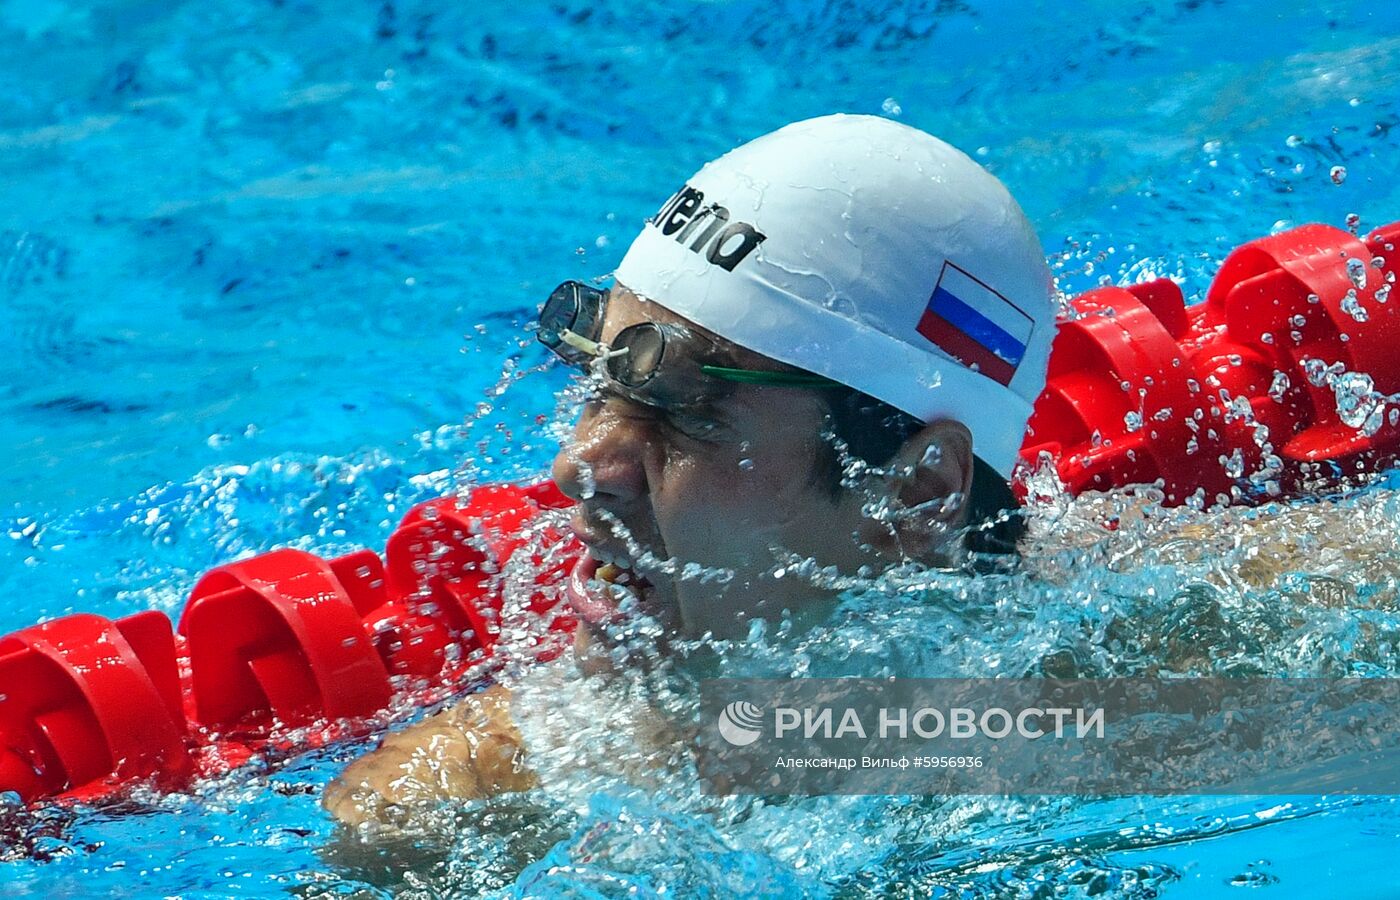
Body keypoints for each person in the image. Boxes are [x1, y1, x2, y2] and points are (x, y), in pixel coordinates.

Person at [322, 114, 1058, 825]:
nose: (579, 465)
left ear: (918, 495)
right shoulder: (456, 807)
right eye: (600, 387)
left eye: (684, 412)